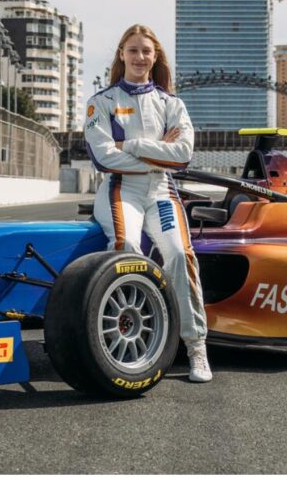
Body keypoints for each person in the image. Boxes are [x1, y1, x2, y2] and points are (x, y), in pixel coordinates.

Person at [84, 24, 212, 383]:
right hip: (120, 190)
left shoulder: (172, 104)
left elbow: (183, 156)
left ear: (156, 58)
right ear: (121, 54)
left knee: (179, 255)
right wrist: (159, 151)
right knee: (125, 249)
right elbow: (103, 158)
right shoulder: (102, 102)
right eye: (133, 50)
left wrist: (134, 146)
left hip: (161, 192)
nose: (140, 57)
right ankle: (114, 341)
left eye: (146, 51)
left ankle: (196, 347)